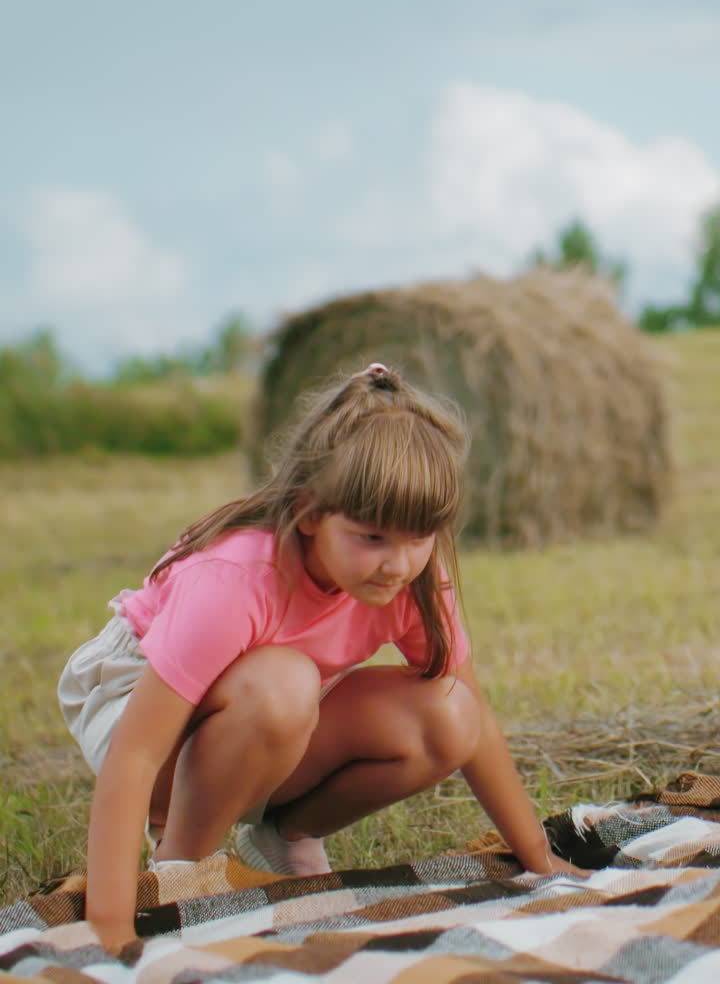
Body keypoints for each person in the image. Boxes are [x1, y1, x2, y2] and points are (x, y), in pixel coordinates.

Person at [59, 362, 578, 956]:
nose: (398, 564)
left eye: (419, 537)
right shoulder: (235, 579)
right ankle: (181, 869)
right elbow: (136, 754)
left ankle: (283, 838)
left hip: (264, 714)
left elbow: (476, 725)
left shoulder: (411, 578)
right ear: (309, 514)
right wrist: (111, 926)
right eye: (372, 537)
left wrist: (541, 860)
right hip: (132, 701)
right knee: (283, 683)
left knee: (450, 712)